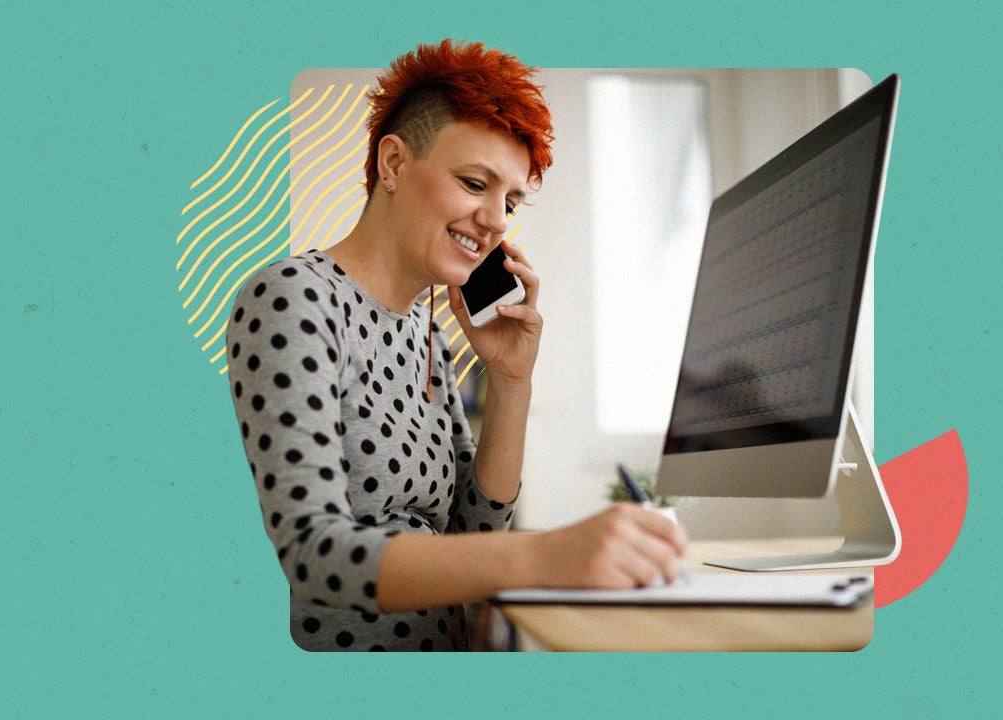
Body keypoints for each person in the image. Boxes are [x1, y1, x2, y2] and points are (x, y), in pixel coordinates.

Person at [226, 40, 687, 651]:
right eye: (475, 183)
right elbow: (314, 555)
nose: (497, 219)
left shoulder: (426, 330)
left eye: (511, 201)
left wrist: (512, 382)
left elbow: (472, 528)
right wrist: (545, 553)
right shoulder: (293, 298)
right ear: (392, 164)